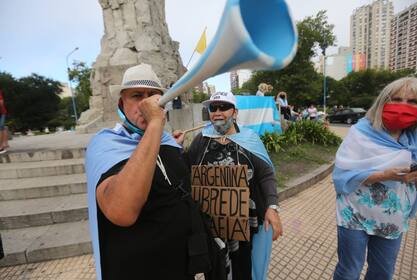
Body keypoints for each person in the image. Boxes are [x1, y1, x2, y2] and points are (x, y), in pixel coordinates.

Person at [85, 64, 216, 280]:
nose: (146, 104)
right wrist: (155, 123)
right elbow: (121, 211)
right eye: (137, 96)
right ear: (121, 103)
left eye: (153, 96)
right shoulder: (105, 143)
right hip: (138, 270)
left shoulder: (166, 141)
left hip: (179, 265)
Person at [175, 91, 283, 280]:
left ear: (235, 112)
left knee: (242, 268)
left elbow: (266, 175)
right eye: (213, 108)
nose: (217, 112)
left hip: (243, 224)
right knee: (216, 271)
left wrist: (272, 206)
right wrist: (178, 148)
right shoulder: (202, 139)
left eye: (224, 107)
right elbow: (187, 170)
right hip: (211, 224)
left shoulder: (249, 139)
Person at [332, 77, 417, 280]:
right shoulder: (361, 133)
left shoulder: (416, 139)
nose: (402, 106)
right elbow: (341, 175)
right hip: (354, 214)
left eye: (412, 102)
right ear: (383, 102)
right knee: (349, 271)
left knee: (382, 272)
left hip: (393, 218)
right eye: (396, 99)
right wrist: (384, 175)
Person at [0, 89, 8, 153]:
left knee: (1, 127)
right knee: (3, 127)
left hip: (1, 112)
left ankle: (1, 146)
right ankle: (5, 143)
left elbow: (1, 102)